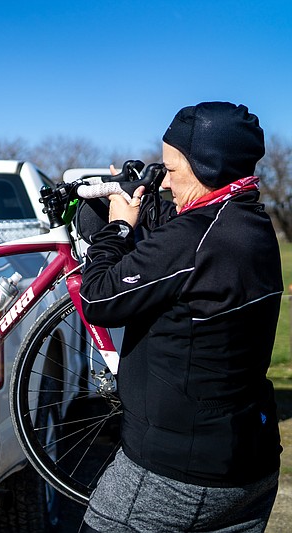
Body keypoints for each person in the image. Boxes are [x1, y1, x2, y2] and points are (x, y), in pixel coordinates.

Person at [80, 102, 284, 532]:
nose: (168, 182)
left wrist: (116, 229)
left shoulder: (192, 239)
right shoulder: (250, 224)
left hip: (173, 476)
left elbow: (98, 299)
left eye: (173, 170)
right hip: (248, 462)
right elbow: (179, 255)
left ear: (207, 167)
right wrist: (147, 207)